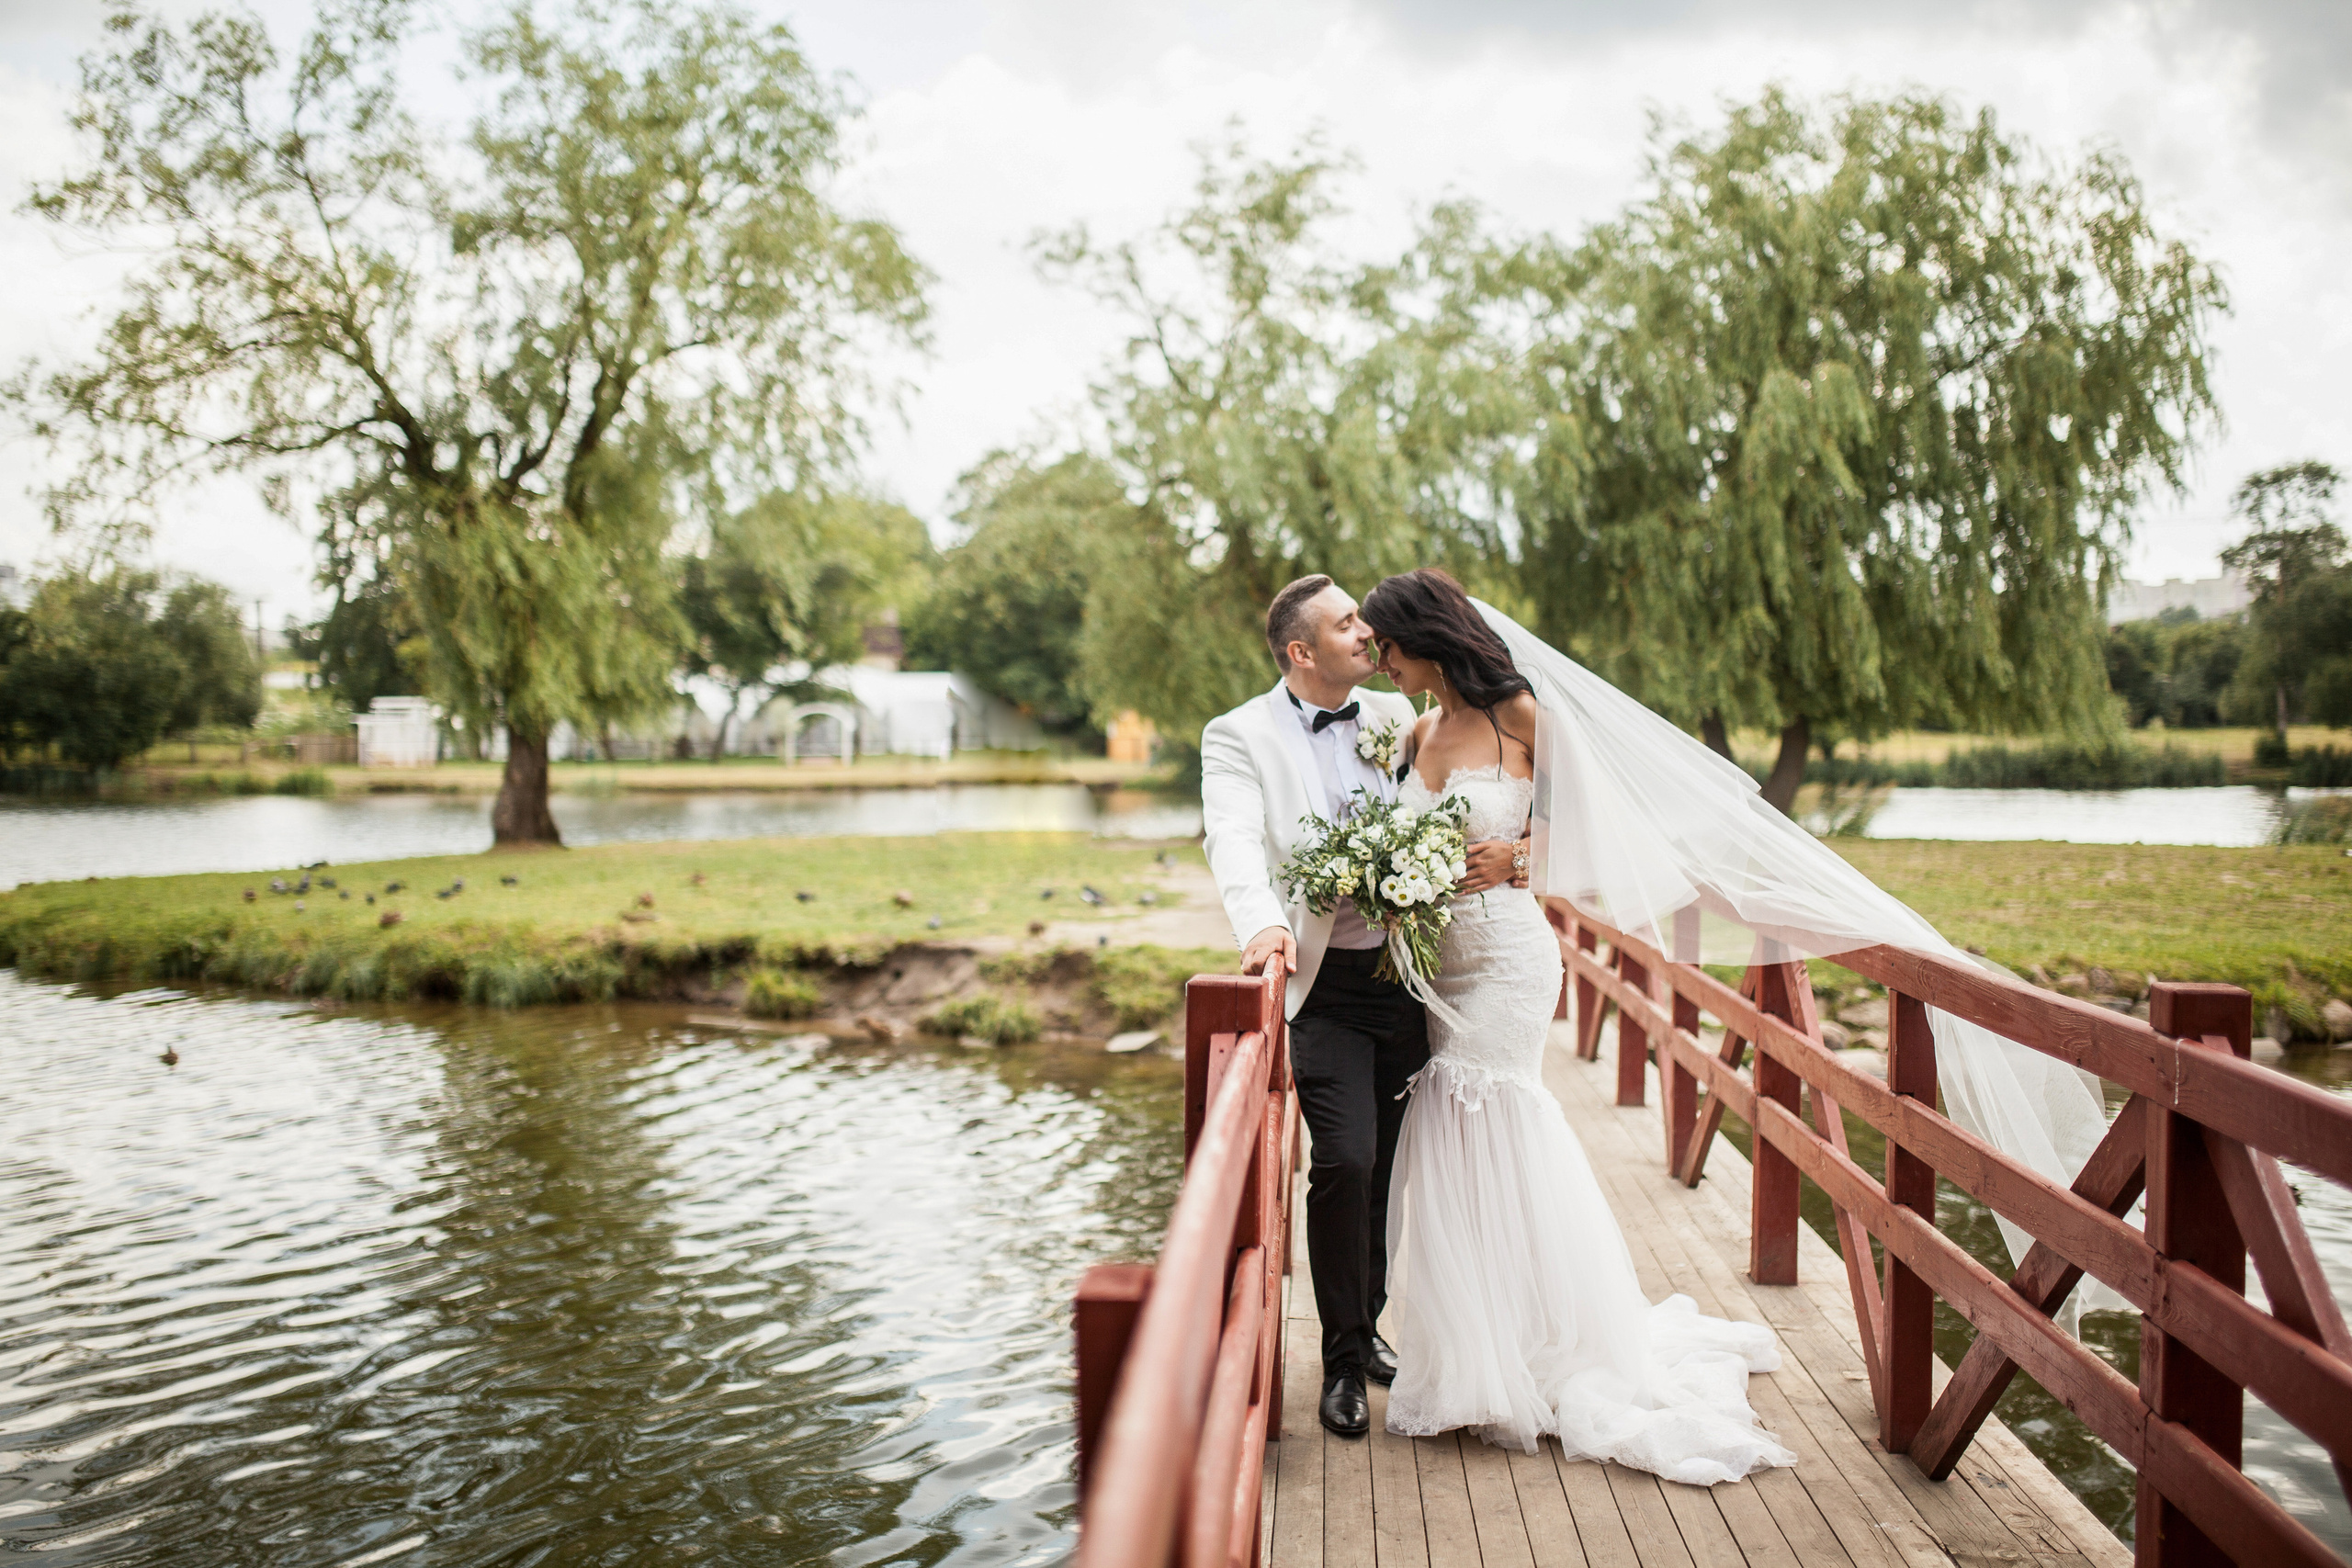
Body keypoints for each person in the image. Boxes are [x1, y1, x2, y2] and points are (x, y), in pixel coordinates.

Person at [1359, 568, 1799, 1483]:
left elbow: (1613, 837)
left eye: (1386, 648)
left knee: (1489, 1118)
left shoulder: (1520, 715)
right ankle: (1471, 1354)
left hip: (1511, 967)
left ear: (1420, 639)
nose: (1380, 664)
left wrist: (1516, 858)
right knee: (1448, 1135)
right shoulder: (1411, 735)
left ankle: (1533, 1352)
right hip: (1441, 970)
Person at [1199, 574, 1530, 1438]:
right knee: (1343, 1160)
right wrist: (1264, 925)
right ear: (1301, 651)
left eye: (1367, 621)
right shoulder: (1237, 735)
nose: (1367, 634)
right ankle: (1341, 1362)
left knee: (1389, 1165)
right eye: (1348, 623)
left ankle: (1369, 1327)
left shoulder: (1399, 717)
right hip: (1325, 989)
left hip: (1415, 979)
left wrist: (1520, 860)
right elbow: (1233, 840)